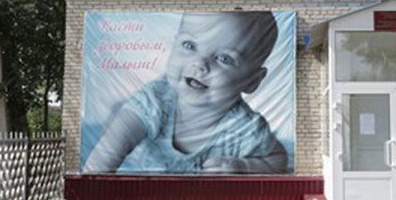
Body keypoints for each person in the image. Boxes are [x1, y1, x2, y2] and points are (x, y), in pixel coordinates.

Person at [84, 11, 288, 174]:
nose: (200, 63)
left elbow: (278, 160)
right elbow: (107, 152)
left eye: (224, 59)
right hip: (146, 196)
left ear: (252, 81)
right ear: (173, 45)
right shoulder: (154, 100)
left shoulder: (245, 129)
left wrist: (244, 167)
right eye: (189, 45)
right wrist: (88, 191)